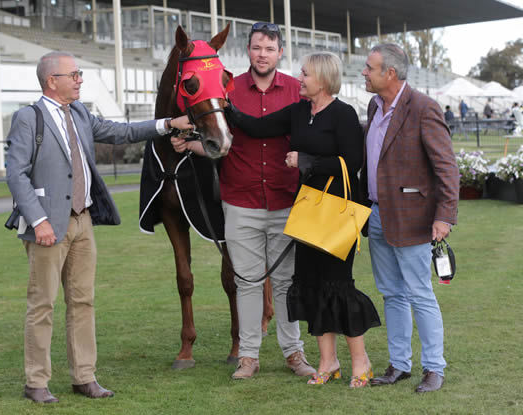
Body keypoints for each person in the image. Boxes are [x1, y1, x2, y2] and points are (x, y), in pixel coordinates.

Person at [6, 51, 191, 403]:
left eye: (79, 73)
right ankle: (36, 382)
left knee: (83, 302)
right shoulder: (28, 119)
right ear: (51, 81)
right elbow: (16, 174)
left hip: (83, 222)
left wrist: (167, 124)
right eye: (73, 74)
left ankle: (84, 377)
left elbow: (121, 132)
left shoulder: (78, 112)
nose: (79, 79)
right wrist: (39, 220)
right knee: (42, 304)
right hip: (47, 227)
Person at [222, 52, 381, 388]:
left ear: (322, 80)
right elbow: (258, 127)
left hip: (336, 212)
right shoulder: (298, 112)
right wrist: (226, 109)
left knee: (338, 285)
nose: (300, 78)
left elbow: (351, 162)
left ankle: (360, 362)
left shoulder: (344, 114)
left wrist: (306, 160)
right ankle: (328, 362)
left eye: (305, 74)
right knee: (311, 285)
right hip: (307, 211)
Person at [171, 22, 315, 380]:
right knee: (248, 282)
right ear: (247, 51)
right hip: (240, 200)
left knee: (285, 282)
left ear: (280, 52)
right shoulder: (226, 88)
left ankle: (293, 353)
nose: (262, 54)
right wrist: (189, 145)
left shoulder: (298, 91)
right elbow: (218, 140)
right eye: (256, 48)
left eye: (269, 48)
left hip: (285, 200)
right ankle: (248, 356)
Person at [360, 43, 459, 393]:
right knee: (392, 294)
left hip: (414, 218)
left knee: (420, 293)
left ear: (389, 73)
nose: (364, 73)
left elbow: (446, 167)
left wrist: (444, 216)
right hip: (376, 214)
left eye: (369, 67)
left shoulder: (423, 107)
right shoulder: (374, 107)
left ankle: (434, 367)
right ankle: (399, 365)